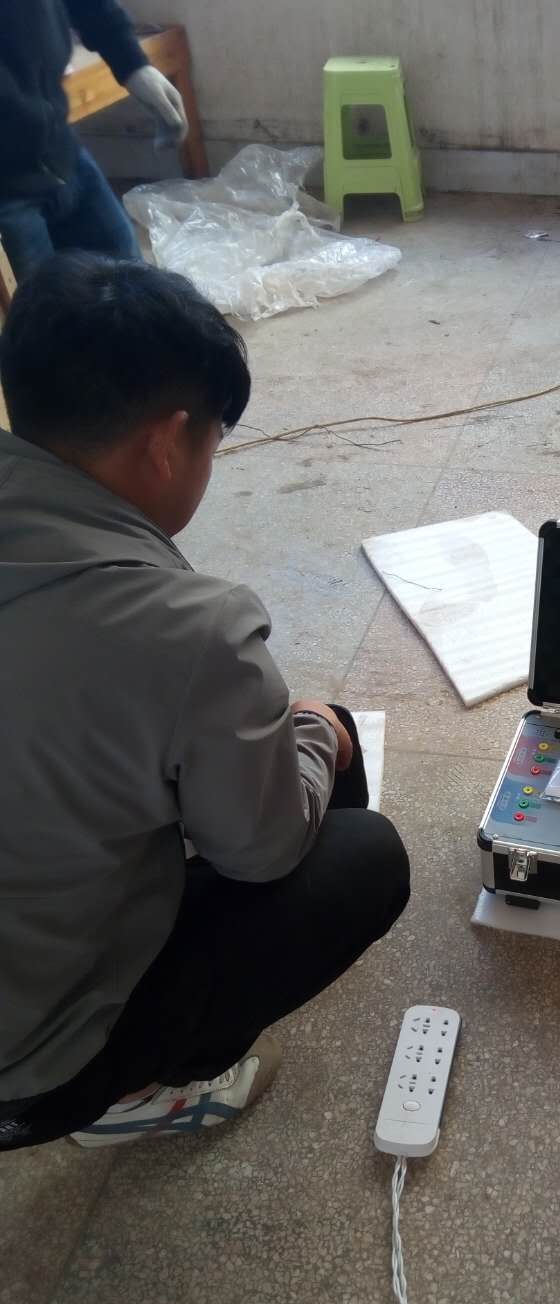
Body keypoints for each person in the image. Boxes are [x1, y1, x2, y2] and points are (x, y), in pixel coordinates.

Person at [0, 254, 410, 1150]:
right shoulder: (192, 629)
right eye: (214, 443)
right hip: (29, 1070)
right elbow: (264, 854)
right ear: (165, 442)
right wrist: (317, 734)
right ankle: (140, 1090)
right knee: (362, 849)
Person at [0, 0, 189, 279]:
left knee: (135, 285)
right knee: (44, 304)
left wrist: (132, 63)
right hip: (8, 192)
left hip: (63, 152)